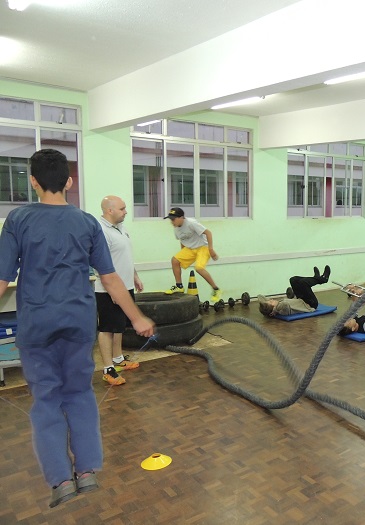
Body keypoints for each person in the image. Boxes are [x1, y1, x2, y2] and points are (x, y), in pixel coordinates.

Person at [0, 149, 155, 509]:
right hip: (78, 323)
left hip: (37, 326)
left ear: (33, 181)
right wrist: (136, 318)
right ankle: (86, 473)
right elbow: (111, 279)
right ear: (69, 182)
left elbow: (2, 279)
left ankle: (60, 482)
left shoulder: (18, 219)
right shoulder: (87, 222)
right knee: (80, 395)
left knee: (47, 401)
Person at [95, 195, 143, 386]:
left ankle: (118, 359)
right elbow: (100, 264)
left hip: (125, 286)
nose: (126, 212)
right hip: (108, 290)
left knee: (119, 326)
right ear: (110, 210)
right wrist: (113, 290)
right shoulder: (101, 231)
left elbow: (125, 256)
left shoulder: (121, 228)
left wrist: (135, 276)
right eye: (122, 209)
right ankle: (108, 369)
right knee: (107, 328)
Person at [163, 207, 222, 303]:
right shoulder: (176, 229)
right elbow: (183, 241)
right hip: (190, 249)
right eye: (170, 220)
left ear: (181, 217)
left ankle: (216, 289)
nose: (172, 222)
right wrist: (182, 254)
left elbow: (208, 233)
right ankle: (179, 286)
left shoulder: (191, 223)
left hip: (203, 247)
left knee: (199, 268)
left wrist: (211, 249)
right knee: (175, 260)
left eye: (173, 219)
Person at [258, 265, 330, 316]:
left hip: (301, 299)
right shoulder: (282, 311)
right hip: (310, 304)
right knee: (303, 283)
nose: (272, 299)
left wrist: (264, 302)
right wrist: (275, 310)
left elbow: (259, 296)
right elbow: (285, 304)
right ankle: (323, 279)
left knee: (293, 280)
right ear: (272, 311)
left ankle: (316, 278)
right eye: (271, 302)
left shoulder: (278, 305)